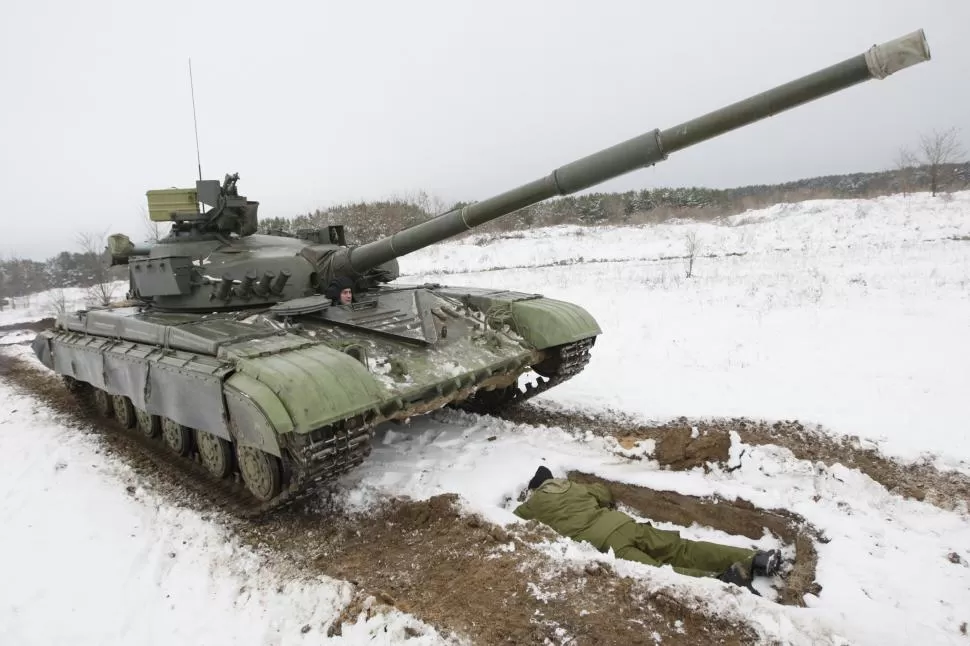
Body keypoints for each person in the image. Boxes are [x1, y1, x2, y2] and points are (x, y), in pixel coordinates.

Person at [512, 466, 781, 593]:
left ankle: (723, 582)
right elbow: (603, 494)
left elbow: (512, 522)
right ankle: (754, 558)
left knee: (661, 571)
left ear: (536, 489)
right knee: (681, 549)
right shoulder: (573, 487)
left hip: (607, 544)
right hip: (624, 524)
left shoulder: (532, 505)